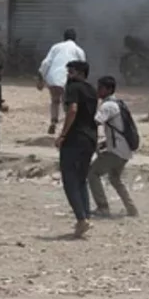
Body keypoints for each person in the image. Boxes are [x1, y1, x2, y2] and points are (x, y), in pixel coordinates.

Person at [56, 60, 99, 238]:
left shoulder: (73, 88)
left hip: (75, 138)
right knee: (81, 179)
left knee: (69, 179)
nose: (68, 75)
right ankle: (86, 216)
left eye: (72, 71)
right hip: (90, 138)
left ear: (81, 73)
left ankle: (81, 219)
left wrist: (63, 134)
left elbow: (72, 110)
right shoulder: (91, 90)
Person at [89, 76, 139, 218]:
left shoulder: (107, 106)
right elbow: (117, 129)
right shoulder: (118, 103)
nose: (98, 91)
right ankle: (132, 209)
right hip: (124, 151)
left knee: (92, 173)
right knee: (115, 179)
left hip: (116, 152)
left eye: (101, 88)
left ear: (109, 89)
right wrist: (104, 143)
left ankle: (103, 207)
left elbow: (95, 123)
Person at [39, 29, 86, 135]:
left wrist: (41, 76)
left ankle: (53, 122)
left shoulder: (56, 47)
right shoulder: (78, 50)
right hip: (67, 78)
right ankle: (67, 127)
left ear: (64, 37)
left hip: (52, 77)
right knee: (68, 104)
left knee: (55, 101)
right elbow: (83, 66)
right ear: (75, 38)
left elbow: (46, 62)